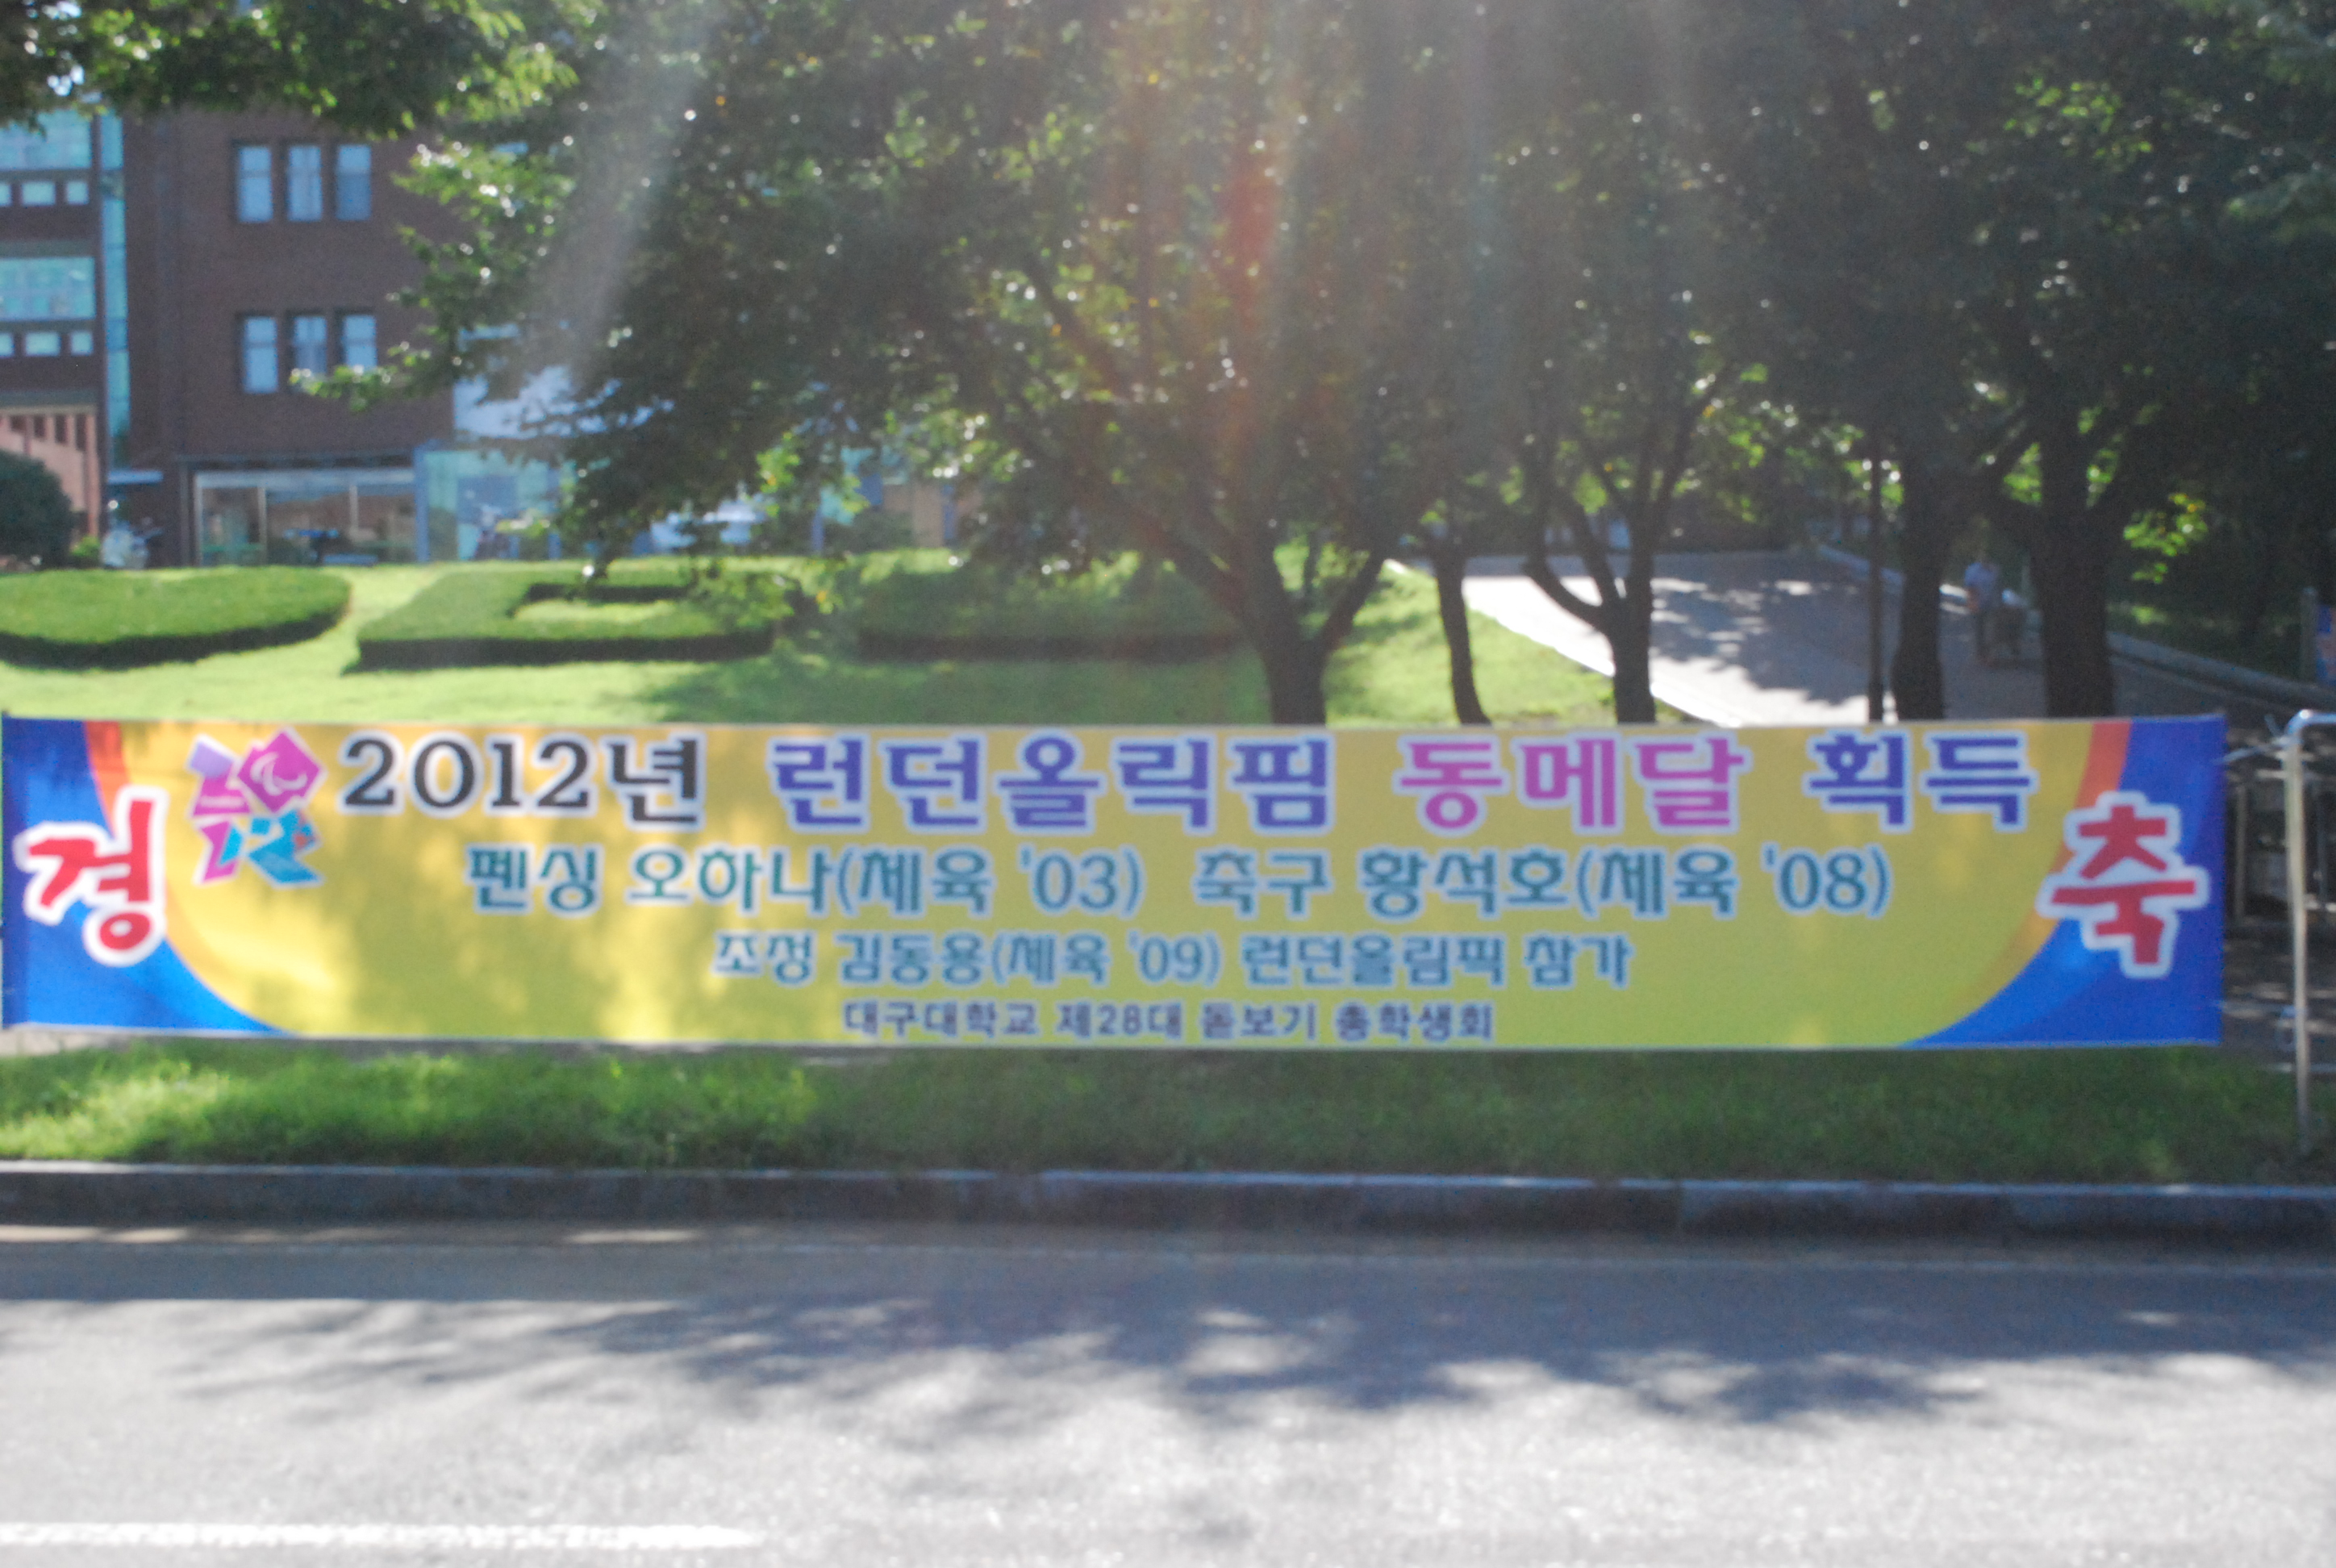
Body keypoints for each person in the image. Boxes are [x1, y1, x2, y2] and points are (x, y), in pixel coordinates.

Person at [1963, 554, 2004, 665]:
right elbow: (1969, 587)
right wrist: (1972, 603)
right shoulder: (1973, 570)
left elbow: (1999, 586)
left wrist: (2000, 603)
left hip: (1993, 605)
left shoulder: (1995, 570)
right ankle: (1980, 654)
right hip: (1977, 604)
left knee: (1992, 631)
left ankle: (1991, 656)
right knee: (1978, 631)